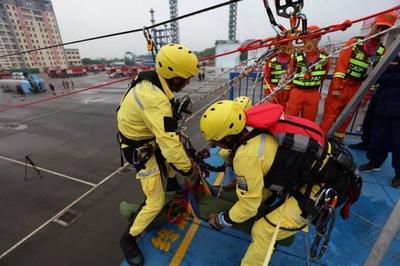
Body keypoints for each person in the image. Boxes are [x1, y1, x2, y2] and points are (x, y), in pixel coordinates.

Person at [199, 101, 330, 265]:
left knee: (263, 230)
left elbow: (249, 206)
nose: (214, 145)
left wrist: (221, 220)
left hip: (321, 187)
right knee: (259, 197)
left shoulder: (246, 156)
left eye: (215, 141)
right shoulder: (252, 126)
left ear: (227, 137)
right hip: (316, 167)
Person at [117, 43, 200, 265]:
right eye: (186, 78)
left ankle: (172, 187)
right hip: (140, 149)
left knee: (173, 155)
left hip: (147, 138)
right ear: (173, 76)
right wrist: (189, 170)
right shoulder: (154, 99)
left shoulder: (154, 81)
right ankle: (128, 240)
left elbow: (166, 135)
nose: (188, 82)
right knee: (155, 201)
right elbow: (170, 146)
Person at [319, 11, 397, 139]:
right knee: (329, 117)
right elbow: (340, 66)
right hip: (342, 86)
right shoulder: (355, 42)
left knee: (346, 118)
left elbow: (374, 76)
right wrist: (337, 89)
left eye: (385, 29)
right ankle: (318, 142)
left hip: (358, 89)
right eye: (379, 27)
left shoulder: (381, 51)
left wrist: (366, 96)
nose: (380, 31)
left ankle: (336, 142)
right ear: (373, 25)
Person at [358, 55, 400, 188]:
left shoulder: (393, 63)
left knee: (398, 143)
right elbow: (378, 76)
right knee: (378, 137)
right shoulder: (391, 56)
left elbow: (384, 77)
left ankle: (399, 174)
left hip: (398, 112)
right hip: (382, 106)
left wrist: (390, 76)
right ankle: (374, 162)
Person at [284, 25, 330, 121]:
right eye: (307, 37)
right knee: (290, 118)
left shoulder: (324, 56)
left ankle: (305, 135)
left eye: (314, 37)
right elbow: (289, 74)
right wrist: (286, 93)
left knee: (309, 120)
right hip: (296, 92)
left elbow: (324, 75)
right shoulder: (297, 55)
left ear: (319, 38)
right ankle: (289, 136)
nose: (309, 39)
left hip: (313, 93)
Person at [263, 40, 292, 107]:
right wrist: (267, 93)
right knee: (273, 112)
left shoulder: (294, 59)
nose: (283, 47)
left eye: (285, 44)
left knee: (287, 115)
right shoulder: (270, 61)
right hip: (274, 92)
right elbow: (266, 79)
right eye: (281, 44)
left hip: (289, 94)